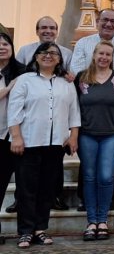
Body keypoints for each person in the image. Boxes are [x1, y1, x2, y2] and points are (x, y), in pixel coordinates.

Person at [8, 42, 80, 249]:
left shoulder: (66, 83)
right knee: (26, 189)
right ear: (36, 57)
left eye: (53, 53)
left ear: (59, 59)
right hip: (29, 142)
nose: (48, 56)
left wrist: (73, 136)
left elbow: (74, 112)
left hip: (55, 144)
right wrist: (16, 137)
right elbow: (15, 111)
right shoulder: (25, 80)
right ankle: (25, 232)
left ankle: (40, 229)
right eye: (44, 53)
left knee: (47, 189)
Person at [70, 8, 114, 211]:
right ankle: (85, 199)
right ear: (98, 21)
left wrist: (109, 85)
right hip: (89, 103)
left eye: (112, 21)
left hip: (113, 107)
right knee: (88, 165)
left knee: (110, 164)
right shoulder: (83, 43)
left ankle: (109, 198)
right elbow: (78, 70)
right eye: (105, 20)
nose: (108, 24)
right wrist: (99, 85)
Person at [13, 16, 74, 212]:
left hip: (56, 121)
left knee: (52, 170)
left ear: (56, 31)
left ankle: (55, 198)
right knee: (26, 177)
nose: (47, 31)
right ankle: (20, 204)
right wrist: (16, 135)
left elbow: (68, 77)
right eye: (43, 28)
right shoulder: (25, 52)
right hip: (31, 123)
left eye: (51, 28)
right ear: (37, 30)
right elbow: (18, 75)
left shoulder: (66, 52)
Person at [75, 41, 114, 241]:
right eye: (101, 53)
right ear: (94, 55)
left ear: (112, 57)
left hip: (111, 134)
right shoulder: (81, 78)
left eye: (108, 54)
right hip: (87, 133)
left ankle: (102, 219)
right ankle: (91, 221)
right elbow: (73, 106)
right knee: (89, 176)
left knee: (105, 176)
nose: (104, 57)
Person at [0, 33, 26, 245]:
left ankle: (26, 230)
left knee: (19, 186)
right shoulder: (13, 80)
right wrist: (9, 88)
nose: (2, 47)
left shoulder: (22, 72)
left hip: (13, 136)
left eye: (5, 43)